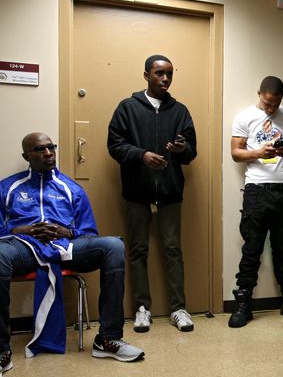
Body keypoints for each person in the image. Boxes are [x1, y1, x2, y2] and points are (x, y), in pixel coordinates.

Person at [0, 132, 144, 373]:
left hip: (64, 248)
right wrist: (23, 229)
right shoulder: (8, 187)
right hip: (24, 247)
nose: (48, 153)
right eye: (40, 149)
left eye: (51, 147)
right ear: (26, 156)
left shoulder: (71, 188)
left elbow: (88, 232)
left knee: (113, 245)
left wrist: (65, 231)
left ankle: (108, 339)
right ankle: (2, 349)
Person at [107, 54, 197, 333]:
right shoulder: (128, 108)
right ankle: (142, 308)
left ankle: (178, 308)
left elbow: (191, 152)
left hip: (170, 191)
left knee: (173, 250)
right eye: (159, 73)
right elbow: (114, 145)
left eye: (169, 73)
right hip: (137, 192)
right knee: (137, 250)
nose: (165, 79)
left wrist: (182, 150)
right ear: (146, 75)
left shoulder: (180, 111)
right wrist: (141, 155)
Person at [228, 76, 283, 327]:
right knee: (252, 248)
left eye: (275, 104)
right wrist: (258, 153)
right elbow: (236, 153)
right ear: (259, 93)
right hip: (257, 189)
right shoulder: (244, 116)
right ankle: (243, 303)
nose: (271, 109)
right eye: (267, 103)